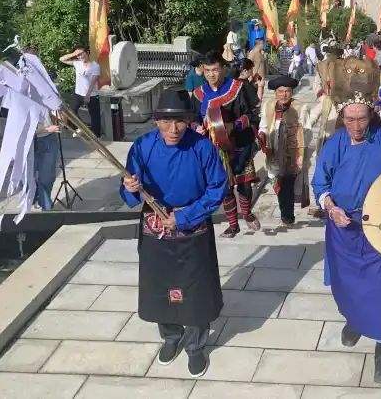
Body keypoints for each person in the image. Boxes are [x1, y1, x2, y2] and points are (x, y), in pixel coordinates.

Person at [120, 90, 227, 378]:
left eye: (180, 122)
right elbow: (129, 184)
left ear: (189, 122)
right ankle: (170, 336)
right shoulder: (143, 146)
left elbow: (217, 188)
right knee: (159, 286)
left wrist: (184, 216)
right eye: (166, 122)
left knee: (195, 290)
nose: (173, 129)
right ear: (156, 121)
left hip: (192, 224)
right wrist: (130, 188)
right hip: (155, 223)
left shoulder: (202, 147)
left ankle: (195, 346)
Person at [312, 94, 381, 384]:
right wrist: (331, 208)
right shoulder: (335, 144)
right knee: (346, 281)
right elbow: (320, 182)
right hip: (342, 227)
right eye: (350, 119)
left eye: (362, 118)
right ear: (342, 118)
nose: (356, 125)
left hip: (377, 227)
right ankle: (354, 319)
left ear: (372, 115)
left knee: (378, 285)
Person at [190, 52, 260, 238]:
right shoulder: (198, 94)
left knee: (244, 184)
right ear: (202, 72)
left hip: (240, 145)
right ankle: (233, 225)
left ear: (222, 69)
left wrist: (234, 126)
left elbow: (253, 114)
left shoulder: (238, 87)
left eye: (215, 70)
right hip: (213, 149)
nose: (212, 74)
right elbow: (192, 119)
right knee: (225, 187)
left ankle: (247, 213)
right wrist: (197, 127)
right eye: (207, 71)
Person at [261, 75, 308, 226]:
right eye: (280, 91)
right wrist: (262, 136)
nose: (284, 94)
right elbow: (264, 125)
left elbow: (306, 131)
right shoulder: (269, 105)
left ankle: (287, 218)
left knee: (286, 186)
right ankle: (287, 215)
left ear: (292, 92)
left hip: (291, 154)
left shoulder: (300, 107)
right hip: (273, 152)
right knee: (277, 183)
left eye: (287, 91)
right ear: (275, 93)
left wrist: (298, 148)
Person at [59, 46, 102, 136]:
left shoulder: (95, 66)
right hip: (78, 93)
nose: (80, 56)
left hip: (92, 94)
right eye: (78, 55)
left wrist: (88, 95)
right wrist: (74, 54)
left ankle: (96, 135)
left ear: (87, 52)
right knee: (71, 111)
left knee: (95, 116)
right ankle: (83, 127)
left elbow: (93, 82)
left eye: (82, 53)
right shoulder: (77, 63)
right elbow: (61, 59)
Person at [32, 117, 60, 211]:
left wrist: (60, 115)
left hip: (49, 139)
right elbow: (23, 127)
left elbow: (61, 122)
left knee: (48, 177)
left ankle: (45, 206)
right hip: (31, 142)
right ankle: (39, 199)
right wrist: (47, 129)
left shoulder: (49, 102)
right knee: (30, 177)